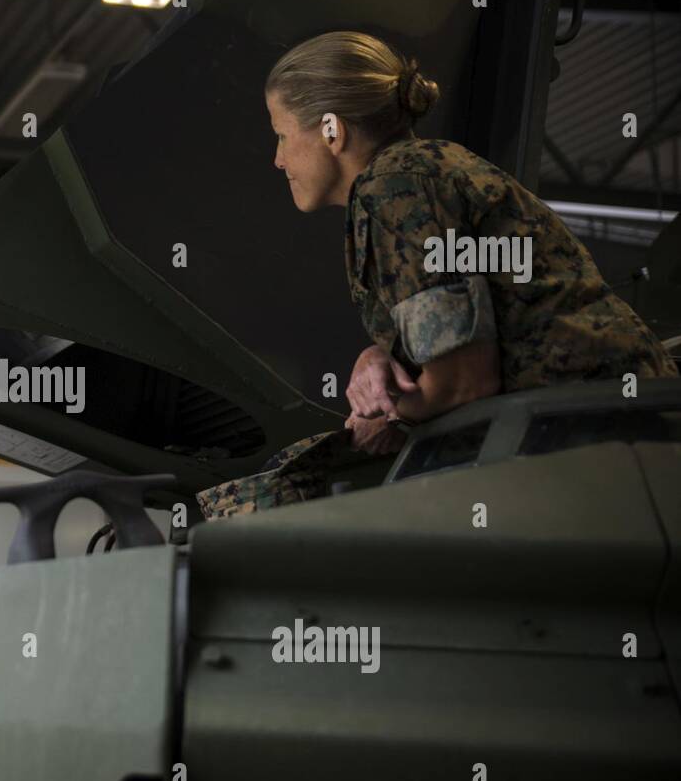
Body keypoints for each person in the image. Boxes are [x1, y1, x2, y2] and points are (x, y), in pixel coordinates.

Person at [198, 31, 676, 520]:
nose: (278, 159)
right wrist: (382, 355)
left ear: (331, 131)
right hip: (608, 425)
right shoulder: (421, 172)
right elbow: (480, 313)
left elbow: (464, 383)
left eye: (281, 134)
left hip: (599, 435)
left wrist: (387, 416)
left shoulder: (395, 188)